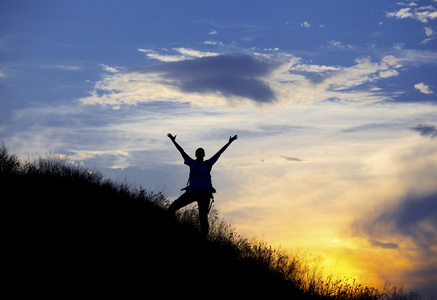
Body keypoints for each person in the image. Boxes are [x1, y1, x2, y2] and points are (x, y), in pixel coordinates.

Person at [167, 133, 238, 237]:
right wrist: (173, 141)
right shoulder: (192, 163)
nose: (199, 155)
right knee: (172, 208)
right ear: (196, 154)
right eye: (198, 153)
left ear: (203, 155)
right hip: (191, 192)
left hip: (204, 195)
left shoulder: (207, 164)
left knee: (203, 219)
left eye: (201, 153)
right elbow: (181, 151)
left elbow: (219, 153)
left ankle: (204, 240)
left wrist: (229, 142)